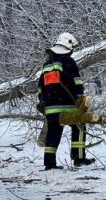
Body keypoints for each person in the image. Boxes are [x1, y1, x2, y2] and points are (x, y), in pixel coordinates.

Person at [38, 32, 95, 169]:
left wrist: (43, 101)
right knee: (80, 127)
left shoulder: (46, 65)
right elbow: (76, 82)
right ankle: (78, 158)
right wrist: (80, 98)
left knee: (53, 133)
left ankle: (49, 164)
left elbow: (40, 87)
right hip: (67, 105)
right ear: (68, 47)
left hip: (51, 107)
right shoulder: (68, 61)